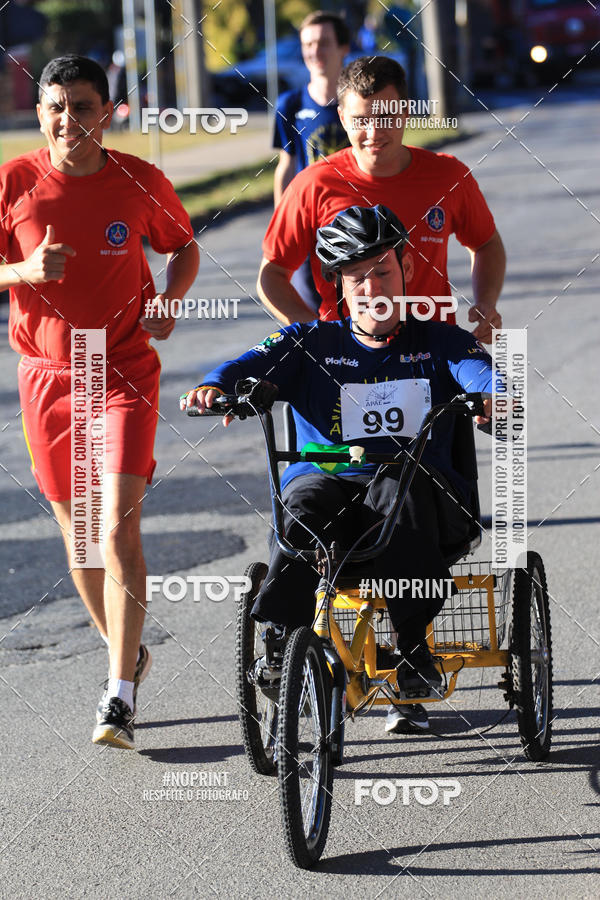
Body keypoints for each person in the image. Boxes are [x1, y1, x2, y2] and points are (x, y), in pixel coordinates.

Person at [182, 204, 494, 734]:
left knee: (400, 488)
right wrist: (215, 387)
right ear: (338, 285)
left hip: (414, 500)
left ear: (407, 269)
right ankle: (282, 636)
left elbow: (485, 374)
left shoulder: (441, 341)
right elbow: (241, 367)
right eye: (356, 277)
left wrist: (495, 398)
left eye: (383, 271)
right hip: (329, 488)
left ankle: (412, 647)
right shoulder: (310, 343)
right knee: (300, 502)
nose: (372, 288)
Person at [0, 55, 200, 749]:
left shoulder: (139, 181)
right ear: (40, 114)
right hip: (49, 376)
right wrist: (22, 270)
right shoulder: (14, 182)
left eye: (82, 106)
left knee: (116, 529)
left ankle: (119, 695)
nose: (68, 120)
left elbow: (182, 247)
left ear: (107, 114)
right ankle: (129, 653)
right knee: (81, 538)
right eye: (56, 107)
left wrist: (171, 298)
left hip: (120, 368)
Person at [258, 55, 506, 343]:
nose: (374, 133)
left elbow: (486, 244)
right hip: (348, 361)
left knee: (503, 372)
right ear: (342, 118)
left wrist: (486, 301)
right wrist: (316, 336)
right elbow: (272, 274)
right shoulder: (312, 184)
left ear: (406, 112)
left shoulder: (449, 176)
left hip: (434, 354)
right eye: (361, 120)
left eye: (385, 118)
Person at [273, 11, 351, 314]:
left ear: (343, 48)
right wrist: (283, 223)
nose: (314, 51)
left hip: (358, 228)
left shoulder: (360, 103)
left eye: (323, 43)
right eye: (308, 44)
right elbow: (286, 166)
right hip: (310, 232)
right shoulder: (290, 104)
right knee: (310, 316)